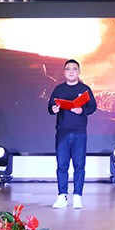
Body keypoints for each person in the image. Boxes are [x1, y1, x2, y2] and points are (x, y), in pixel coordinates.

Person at [47, 59, 97, 209]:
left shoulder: (85, 89)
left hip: (79, 132)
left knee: (79, 165)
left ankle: (77, 196)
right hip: (62, 132)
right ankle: (62, 196)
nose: (71, 71)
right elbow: (50, 106)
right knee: (62, 165)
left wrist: (82, 110)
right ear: (64, 72)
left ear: (79, 72)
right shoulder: (58, 89)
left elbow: (93, 107)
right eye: (68, 69)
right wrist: (53, 109)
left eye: (74, 69)